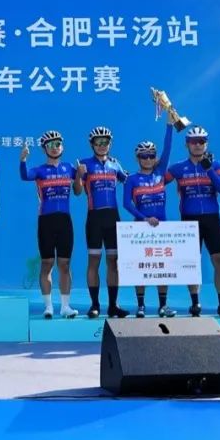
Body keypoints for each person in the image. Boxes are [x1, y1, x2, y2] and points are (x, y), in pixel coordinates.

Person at [164, 125, 220, 317]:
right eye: (193, 142)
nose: (197, 145)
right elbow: (156, 180)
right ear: (187, 144)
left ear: (206, 144)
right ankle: (195, 303)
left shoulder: (216, 165)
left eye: (201, 141)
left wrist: (209, 169)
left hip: (212, 218)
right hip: (189, 220)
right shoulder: (178, 168)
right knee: (192, 263)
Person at [20, 130, 81, 319]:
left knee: (65, 264)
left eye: (58, 144)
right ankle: (48, 307)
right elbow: (25, 176)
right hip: (46, 220)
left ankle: (65, 307)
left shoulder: (69, 168)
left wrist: (79, 175)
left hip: (64, 220)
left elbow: (78, 191)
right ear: (44, 149)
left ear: (62, 147)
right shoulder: (40, 170)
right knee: (47, 263)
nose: (55, 148)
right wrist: (23, 160)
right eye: (50, 145)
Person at [122, 123, 175, 318]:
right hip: (141, 227)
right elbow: (126, 204)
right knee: (141, 266)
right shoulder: (131, 179)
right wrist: (144, 218)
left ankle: (163, 305)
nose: (148, 159)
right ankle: (141, 305)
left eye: (151, 155)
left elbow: (167, 148)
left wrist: (170, 125)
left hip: (162, 227)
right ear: (138, 158)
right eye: (144, 156)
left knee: (163, 266)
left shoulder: (160, 173)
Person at [74, 126, 128, 318]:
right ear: (92, 145)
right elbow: (77, 192)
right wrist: (79, 175)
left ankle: (113, 305)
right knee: (94, 261)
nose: (102, 145)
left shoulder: (115, 164)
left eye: (105, 142)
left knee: (113, 262)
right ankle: (95, 305)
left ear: (110, 144)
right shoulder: (85, 164)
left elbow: (129, 181)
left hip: (113, 217)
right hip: (94, 218)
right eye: (98, 142)